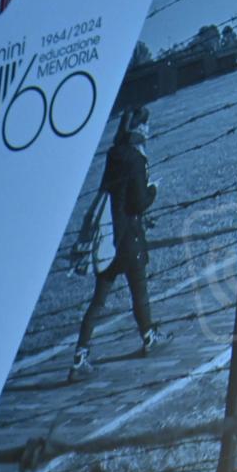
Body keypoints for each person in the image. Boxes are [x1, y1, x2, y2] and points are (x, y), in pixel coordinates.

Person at [69, 107, 170, 381]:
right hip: (129, 237)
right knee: (140, 291)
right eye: (144, 126)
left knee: (98, 300)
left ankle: (80, 355)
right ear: (136, 130)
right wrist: (153, 190)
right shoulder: (136, 159)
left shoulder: (113, 155)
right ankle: (149, 337)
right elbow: (138, 201)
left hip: (108, 238)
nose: (148, 131)